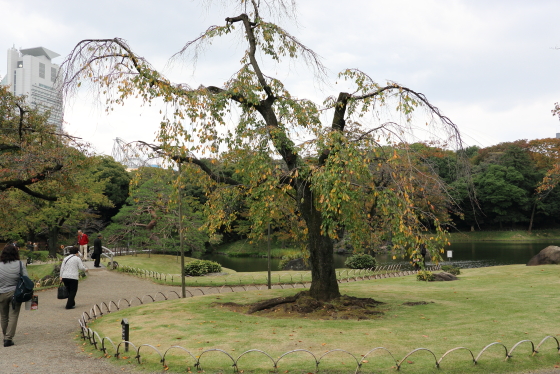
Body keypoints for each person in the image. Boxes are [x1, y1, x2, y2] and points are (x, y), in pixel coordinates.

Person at [0, 244, 28, 347]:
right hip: (15, 293)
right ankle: (8, 338)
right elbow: (26, 278)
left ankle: (5, 336)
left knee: (3, 316)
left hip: (1, 292)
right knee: (13, 315)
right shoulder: (20, 264)